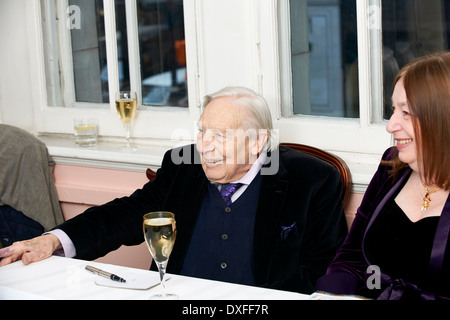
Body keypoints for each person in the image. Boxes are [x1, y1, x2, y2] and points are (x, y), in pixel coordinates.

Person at [0, 86, 348, 294]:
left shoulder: (312, 181)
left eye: (220, 136)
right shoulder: (184, 167)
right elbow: (124, 214)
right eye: (201, 131)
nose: (205, 147)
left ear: (258, 142)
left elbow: (324, 267)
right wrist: (52, 240)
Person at [316, 52, 450, 300]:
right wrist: (328, 294)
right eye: (393, 110)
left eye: (406, 113)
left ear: (443, 119)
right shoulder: (391, 166)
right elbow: (352, 256)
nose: (391, 125)